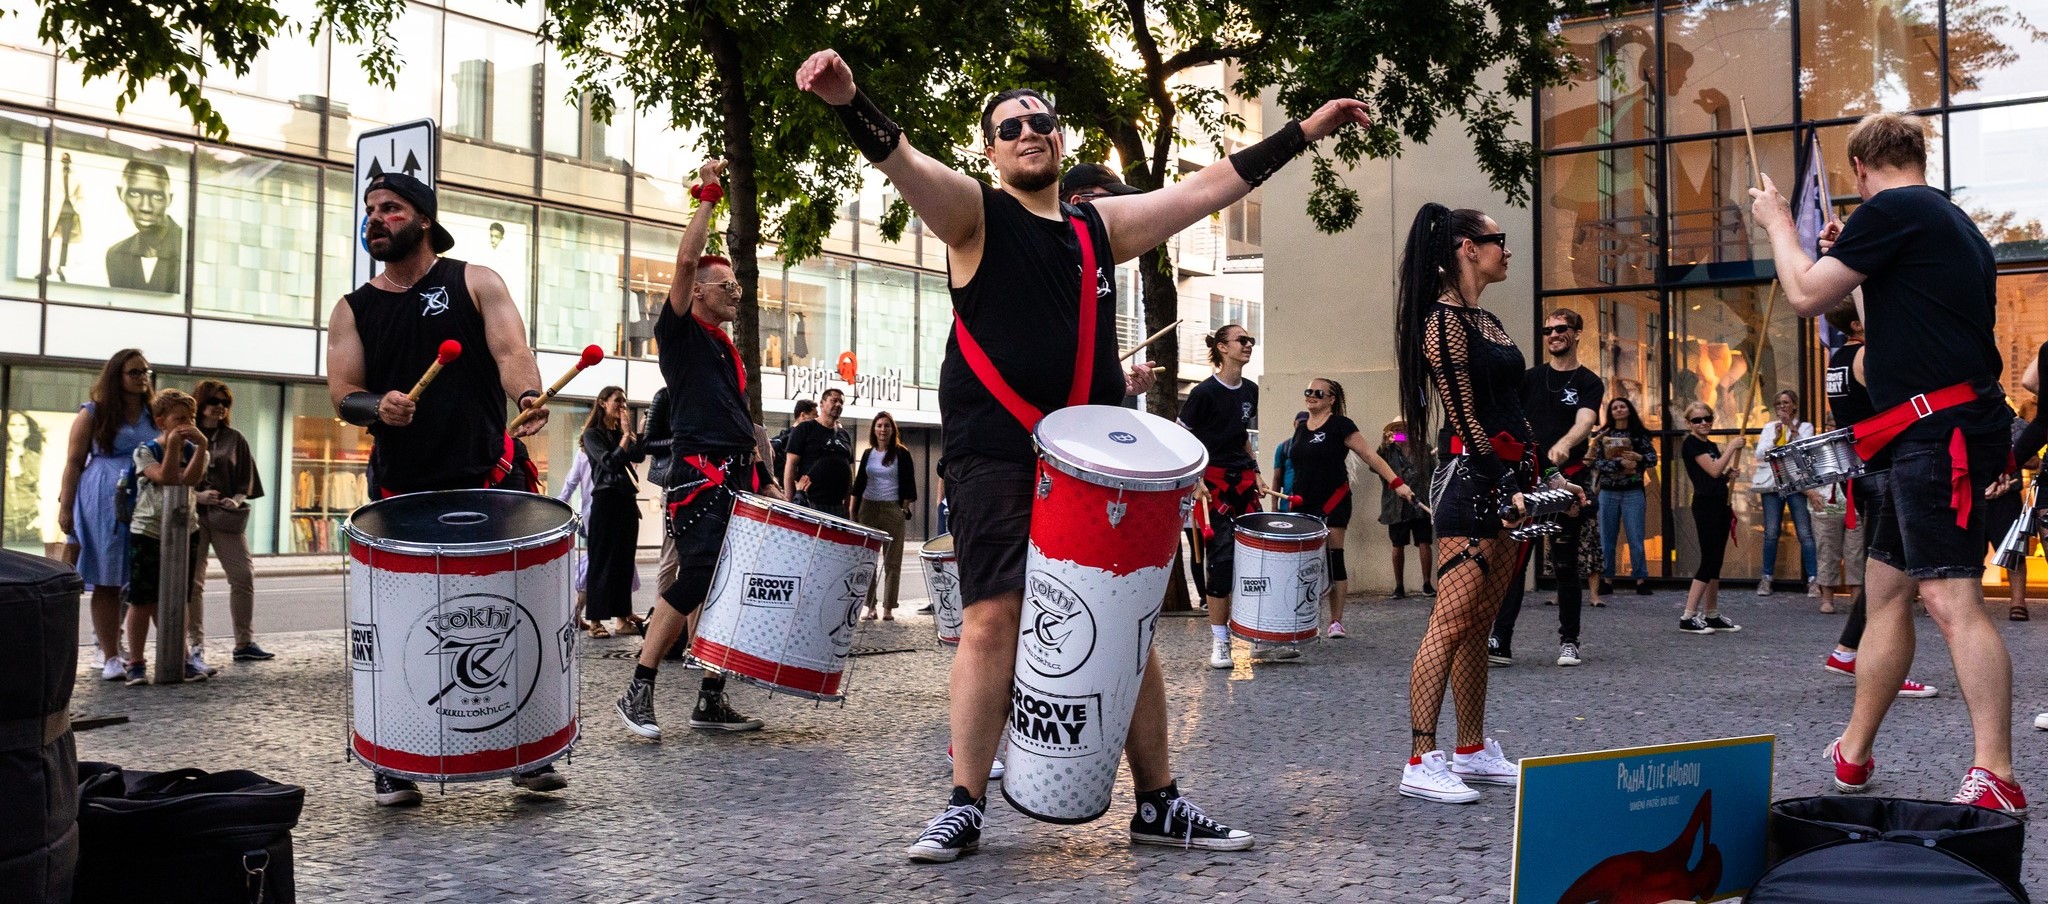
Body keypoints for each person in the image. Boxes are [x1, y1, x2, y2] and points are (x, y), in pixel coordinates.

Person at [801, 49, 1367, 860]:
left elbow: (1212, 186)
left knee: (1125, 621)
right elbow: (902, 160)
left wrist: (1305, 130)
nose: (1029, 132)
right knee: (993, 617)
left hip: (1094, 461)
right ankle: (964, 802)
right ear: (991, 151)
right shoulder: (974, 215)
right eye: (1010, 127)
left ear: (1059, 142)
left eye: (1041, 122)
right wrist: (849, 100)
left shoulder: (1098, 228)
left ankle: (1159, 802)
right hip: (995, 450)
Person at [1750, 111, 2022, 813]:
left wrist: (1781, 223)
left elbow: (1808, 293)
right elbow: (1889, 330)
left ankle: (1996, 770)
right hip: (1923, 433)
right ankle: (1853, 752)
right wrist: (1862, 266)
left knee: (1950, 599)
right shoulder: (1947, 222)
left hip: (1939, 435)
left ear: (1860, 170)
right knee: (1889, 595)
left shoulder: (1895, 209)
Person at [325, 170, 563, 807]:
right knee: (402, 627)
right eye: (371, 210)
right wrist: (380, 406)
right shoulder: (353, 309)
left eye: (392, 209)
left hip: (488, 482)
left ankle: (524, 750)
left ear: (424, 220)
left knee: (506, 619)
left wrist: (528, 394)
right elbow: (343, 394)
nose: (376, 218)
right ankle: (393, 755)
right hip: (401, 496)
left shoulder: (474, 281)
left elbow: (511, 351)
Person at [1391, 202, 1580, 805]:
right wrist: (1501, 485)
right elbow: (1467, 415)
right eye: (1498, 239)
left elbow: (1513, 412)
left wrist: (1548, 470)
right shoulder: (1441, 322)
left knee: (1478, 622)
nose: (1507, 248)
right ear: (1467, 248)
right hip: (1471, 478)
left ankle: (1470, 748)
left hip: (1509, 474)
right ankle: (1421, 758)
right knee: (1448, 621)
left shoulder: (1489, 321)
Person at [613, 157, 772, 746]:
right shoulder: (678, 334)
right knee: (696, 578)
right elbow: (685, 258)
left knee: (722, 585)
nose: (736, 292)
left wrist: (763, 475)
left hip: (734, 479)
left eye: (737, 283)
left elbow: (736, 420)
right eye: (725, 285)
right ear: (697, 291)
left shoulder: (724, 350)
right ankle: (639, 686)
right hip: (700, 481)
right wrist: (708, 195)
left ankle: (709, 698)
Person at [1817, 304, 1938, 697]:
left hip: (1866, 469)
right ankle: (1883, 666)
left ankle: (1847, 652)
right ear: (1856, 324)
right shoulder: (1869, 356)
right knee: (1890, 578)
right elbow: (1897, 409)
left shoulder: (1839, 358)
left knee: (1883, 572)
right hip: (1885, 470)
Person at [1490, 308, 1604, 668]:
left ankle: (1569, 641)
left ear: (1577, 333)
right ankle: (1500, 640)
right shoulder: (1528, 379)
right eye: (1548, 329)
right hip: (1528, 480)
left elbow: (1586, 420)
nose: (1554, 334)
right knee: (1514, 562)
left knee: (1565, 562)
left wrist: (1567, 443)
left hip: (1566, 477)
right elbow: (1509, 418)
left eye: (1561, 328)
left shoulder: (1588, 381)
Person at [58, 349, 156, 680]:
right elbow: (73, 462)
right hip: (102, 497)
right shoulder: (94, 413)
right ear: (117, 376)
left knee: (146, 578)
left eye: (146, 371)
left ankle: (174, 651)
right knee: (107, 578)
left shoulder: (154, 413)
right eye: (134, 372)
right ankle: (111, 655)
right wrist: (65, 506)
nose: (143, 377)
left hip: (146, 497)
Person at [1289, 379, 1411, 638]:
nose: (1311, 395)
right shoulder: (1301, 428)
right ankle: (1302, 617)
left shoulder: (1341, 426)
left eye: (1318, 392)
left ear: (1331, 399)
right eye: (1308, 391)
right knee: (1301, 563)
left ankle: (1335, 621)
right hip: (1302, 503)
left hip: (1333, 500)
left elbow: (1370, 455)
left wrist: (1397, 483)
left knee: (1334, 560)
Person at [1183, 323, 1274, 667]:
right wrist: (1195, 480)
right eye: (1241, 340)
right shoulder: (1203, 393)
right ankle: (1220, 643)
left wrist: (1259, 472)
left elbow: (1242, 437)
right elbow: (1183, 437)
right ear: (1222, 348)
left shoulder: (1250, 389)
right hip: (1213, 486)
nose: (1249, 344)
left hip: (1245, 482)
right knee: (1220, 562)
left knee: (1254, 561)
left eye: (1251, 340)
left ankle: (1253, 634)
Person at [123, 389, 209, 684]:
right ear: (162, 421)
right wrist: (172, 446)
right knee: (142, 599)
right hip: (147, 530)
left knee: (177, 598)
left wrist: (201, 447)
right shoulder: (144, 451)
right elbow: (167, 478)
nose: (187, 424)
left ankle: (181, 657)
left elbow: (191, 480)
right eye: (180, 419)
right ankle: (135, 661)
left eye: (192, 418)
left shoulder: (197, 450)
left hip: (185, 529)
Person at [189, 380, 269, 665]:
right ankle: (195, 645)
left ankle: (244, 643)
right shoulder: (186, 437)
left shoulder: (234, 439)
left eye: (225, 403)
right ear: (201, 404)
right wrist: (197, 496)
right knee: (193, 583)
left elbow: (245, 481)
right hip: (192, 517)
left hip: (225, 517)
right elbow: (171, 478)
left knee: (243, 577)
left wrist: (234, 499)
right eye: (214, 402)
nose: (220, 408)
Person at [582, 386, 646, 637]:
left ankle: (622, 619)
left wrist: (634, 433)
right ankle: (596, 621)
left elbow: (639, 454)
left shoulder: (622, 431)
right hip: (605, 501)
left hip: (626, 500)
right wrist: (624, 437)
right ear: (602, 403)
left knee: (624, 562)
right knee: (601, 561)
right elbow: (609, 463)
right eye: (618, 401)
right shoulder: (592, 435)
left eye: (625, 401)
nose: (623, 406)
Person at [1677, 402, 1747, 634]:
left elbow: (1716, 476)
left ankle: (1712, 613)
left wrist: (1729, 475)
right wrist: (1732, 448)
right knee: (1708, 560)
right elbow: (1713, 470)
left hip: (1719, 503)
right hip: (1706, 506)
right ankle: (1688, 615)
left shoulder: (1709, 445)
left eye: (1707, 418)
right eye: (1697, 420)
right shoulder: (1691, 444)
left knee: (1716, 561)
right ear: (1689, 424)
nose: (1704, 423)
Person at [1750, 389, 1820, 596]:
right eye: (1779, 404)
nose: (1782, 407)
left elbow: (1803, 452)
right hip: (1773, 484)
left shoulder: (1805, 427)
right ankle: (1766, 578)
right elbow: (1760, 455)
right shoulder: (1769, 427)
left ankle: (1813, 579)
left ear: (1794, 405)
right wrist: (1775, 439)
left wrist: (1791, 428)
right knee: (1771, 532)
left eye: (1786, 403)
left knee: (1805, 532)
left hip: (1796, 484)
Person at [851, 411, 917, 621]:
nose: (882, 429)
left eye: (887, 426)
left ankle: (889, 607)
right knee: (868, 560)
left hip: (892, 509)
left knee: (892, 561)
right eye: (879, 425)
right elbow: (859, 484)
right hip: (868, 508)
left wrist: (903, 508)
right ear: (874, 429)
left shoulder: (901, 453)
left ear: (892, 429)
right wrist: (853, 511)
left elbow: (909, 485)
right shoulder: (869, 453)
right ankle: (870, 607)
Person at [1593, 397, 1658, 596]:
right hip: (1608, 491)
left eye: (1622, 406)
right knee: (1607, 539)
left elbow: (1652, 459)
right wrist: (1619, 465)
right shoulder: (1603, 435)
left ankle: (1640, 579)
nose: (1619, 410)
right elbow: (1596, 463)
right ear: (1610, 412)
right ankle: (1607, 579)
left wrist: (1638, 459)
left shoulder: (1639, 435)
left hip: (1633, 491)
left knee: (1636, 537)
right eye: (1615, 407)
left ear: (1629, 410)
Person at [1378, 421, 1436, 600]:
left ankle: (1427, 584)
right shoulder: (1387, 451)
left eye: (1402, 429)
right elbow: (1374, 466)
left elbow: (1434, 470)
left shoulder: (1423, 448)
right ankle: (1399, 586)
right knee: (1398, 544)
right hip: (1396, 504)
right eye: (1395, 430)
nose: (1398, 433)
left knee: (1424, 541)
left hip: (1420, 502)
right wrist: (1383, 445)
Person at [107, 160, 182, 293]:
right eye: (134, 194)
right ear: (120, 193)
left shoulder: (188, 248)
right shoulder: (116, 255)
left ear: (169, 199)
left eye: (157, 196)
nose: (146, 207)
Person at [784, 388, 855, 515]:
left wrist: (848, 504)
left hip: (837, 506)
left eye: (841, 402)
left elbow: (849, 471)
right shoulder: (805, 429)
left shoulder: (844, 435)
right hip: (811, 503)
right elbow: (790, 465)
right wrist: (789, 501)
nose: (838, 405)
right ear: (822, 403)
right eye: (834, 400)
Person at [1269, 410, 1308, 510]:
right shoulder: (1284, 447)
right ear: (1294, 423)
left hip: (1309, 505)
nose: (1302, 426)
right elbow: (1276, 479)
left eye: (1305, 423)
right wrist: (1274, 507)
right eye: (1300, 423)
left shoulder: (1313, 448)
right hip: (1286, 505)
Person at [770, 398, 817, 480]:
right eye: (814, 415)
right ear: (803, 415)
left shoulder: (782, 438)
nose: (817, 418)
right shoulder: (797, 439)